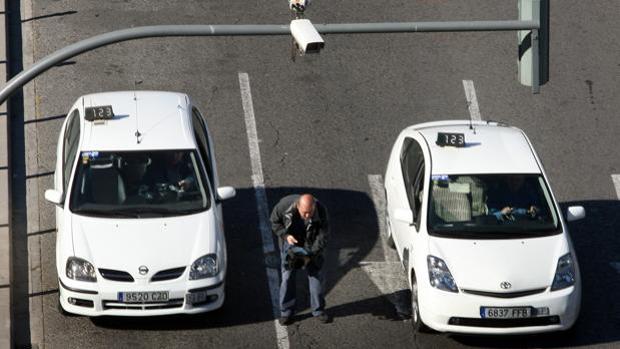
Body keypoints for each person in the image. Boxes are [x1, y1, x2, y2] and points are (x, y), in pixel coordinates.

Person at [270, 193, 329, 325]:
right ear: (297, 206)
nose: (307, 216)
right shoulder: (283, 206)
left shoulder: (321, 210)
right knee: (287, 277)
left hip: (312, 246)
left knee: (316, 277)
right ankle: (286, 312)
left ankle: (318, 310)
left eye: (310, 212)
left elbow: (322, 237)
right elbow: (275, 222)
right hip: (291, 245)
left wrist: (309, 255)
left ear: (314, 207)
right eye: (304, 213)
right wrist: (285, 236)